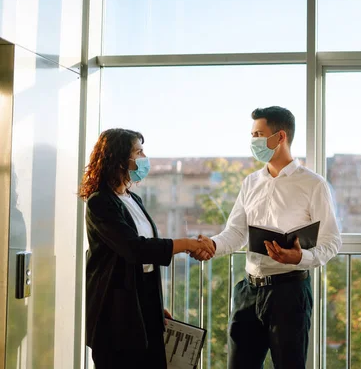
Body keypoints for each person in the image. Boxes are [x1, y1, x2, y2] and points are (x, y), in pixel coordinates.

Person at [192, 107, 342, 369]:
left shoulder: (313, 184)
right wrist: (213, 245)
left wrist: (301, 257)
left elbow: (331, 241)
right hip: (248, 292)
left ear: (280, 136)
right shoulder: (250, 182)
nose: (253, 141)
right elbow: (237, 232)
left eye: (259, 134)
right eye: (252, 134)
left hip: (289, 292)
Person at [79, 128, 215, 369]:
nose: (144, 157)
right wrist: (185, 244)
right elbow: (134, 249)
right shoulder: (100, 202)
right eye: (138, 151)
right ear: (120, 159)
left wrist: (152, 303)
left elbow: (144, 263)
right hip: (115, 313)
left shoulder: (134, 200)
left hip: (141, 305)